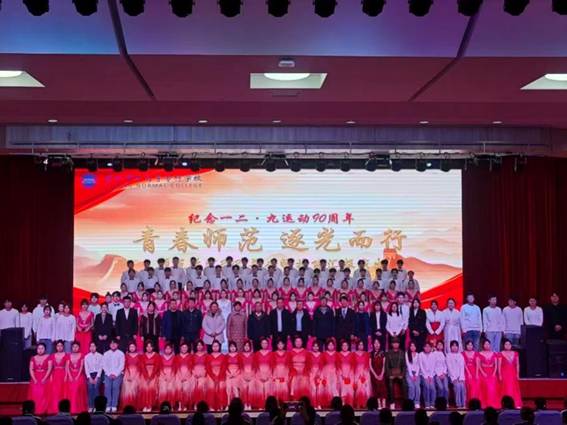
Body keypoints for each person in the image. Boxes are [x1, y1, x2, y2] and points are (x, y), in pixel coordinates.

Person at [28, 343, 52, 415]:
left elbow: (49, 369)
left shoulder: (48, 357)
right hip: (35, 377)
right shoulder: (33, 358)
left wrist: (45, 378)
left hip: (45, 377)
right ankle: (34, 409)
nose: (40, 350)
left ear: (45, 349)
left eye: (42, 348)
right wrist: (34, 379)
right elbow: (31, 369)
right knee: (35, 392)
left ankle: (43, 410)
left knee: (43, 393)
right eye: (39, 348)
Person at [102, 339, 125, 413]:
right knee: (107, 387)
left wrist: (115, 374)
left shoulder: (121, 353)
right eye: (111, 343)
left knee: (115, 386)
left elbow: (122, 365)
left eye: (114, 343)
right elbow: (104, 365)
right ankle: (108, 405)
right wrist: (109, 374)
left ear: (117, 345)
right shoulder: (106, 354)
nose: (113, 345)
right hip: (108, 374)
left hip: (118, 374)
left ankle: (114, 405)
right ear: (109, 345)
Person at [477, 339, 500, 409]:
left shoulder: (494, 353)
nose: (487, 345)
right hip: (483, 372)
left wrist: (494, 373)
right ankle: (484, 404)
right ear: (483, 345)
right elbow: (478, 365)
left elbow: (496, 365)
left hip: (492, 372)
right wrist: (483, 372)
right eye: (485, 344)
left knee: (492, 387)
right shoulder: (479, 353)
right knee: (484, 386)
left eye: (488, 344)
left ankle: (493, 404)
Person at [499, 339, 522, 408]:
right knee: (506, 388)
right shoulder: (501, 353)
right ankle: (505, 404)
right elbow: (499, 365)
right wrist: (499, 374)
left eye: (509, 344)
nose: (508, 346)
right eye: (506, 344)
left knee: (514, 388)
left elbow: (517, 364)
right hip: (504, 373)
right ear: (503, 345)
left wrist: (517, 374)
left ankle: (516, 403)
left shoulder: (515, 353)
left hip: (513, 373)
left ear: (511, 345)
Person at [384, 337, 406, 409]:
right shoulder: (388, 353)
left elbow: (404, 365)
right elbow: (386, 365)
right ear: (392, 344)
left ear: (399, 344)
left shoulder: (402, 353)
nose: (396, 344)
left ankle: (405, 402)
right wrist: (389, 375)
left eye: (397, 343)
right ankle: (392, 402)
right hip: (391, 373)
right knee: (390, 385)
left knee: (404, 384)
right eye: (394, 343)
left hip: (400, 373)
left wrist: (402, 375)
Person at [206, 340, 228, 410]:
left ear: (219, 347)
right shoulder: (208, 356)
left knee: (221, 387)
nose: (215, 347)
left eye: (217, 346)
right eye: (214, 346)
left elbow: (224, 367)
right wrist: (213, 376)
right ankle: (211, 406)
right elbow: (208, 368)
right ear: (212, 347)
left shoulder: (223, 356)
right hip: (211, 375)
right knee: (211, 387)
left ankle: (221, 406)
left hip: (221, 375)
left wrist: (219, 376)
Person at [139, 340, 160, 412]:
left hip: (153, 374)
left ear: (153, 347)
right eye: (147, 346)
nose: (149, 348)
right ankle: (145, 405)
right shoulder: (142, 356)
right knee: (144, 388)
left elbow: (157, 366)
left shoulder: (156, 355)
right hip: (145, 374)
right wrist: (146, 377)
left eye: (150, 346)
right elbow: (142, 367)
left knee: (151, 388)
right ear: (145, 348)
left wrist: (151, 377)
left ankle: (150, 405)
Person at [67, 341, 87, 413]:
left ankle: (79, 408)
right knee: (71, 390)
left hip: (79, 375)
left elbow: (81, 366)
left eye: (76, 347)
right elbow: (67, 366)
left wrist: (78, 376)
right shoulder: (68, 355)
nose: (75, 348)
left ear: (79, 347)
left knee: (77, 389)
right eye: (73, 347)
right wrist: (70, 376)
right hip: (71, 375)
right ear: (71, 348)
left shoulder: (82, 355)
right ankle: (72, 408)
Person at [120, 342, 140, 411]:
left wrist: (134, 376)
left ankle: (134, 406)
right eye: (130, 347)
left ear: (135, 347)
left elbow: (140, 367)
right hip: (127, 373)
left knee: (134, 388)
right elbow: (125, 365)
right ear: (128, 348)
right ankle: (127, 406)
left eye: (133, 347)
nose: (132, 348)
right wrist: (128, 375)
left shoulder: (139, 356)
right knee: (127, 388)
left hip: (136, 374)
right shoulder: (126, 355)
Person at [84, 341, 103, 412]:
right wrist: (89, 377)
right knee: (90, 388)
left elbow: (101, 367)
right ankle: (90, 406)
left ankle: (97, 407)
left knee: (96, 387)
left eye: (94, 346)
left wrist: (97, 377)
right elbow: (86, 368)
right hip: (90, 375)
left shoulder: (100, 356)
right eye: (91, 346)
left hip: (98, 374)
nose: (92, 348)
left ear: (96, 347)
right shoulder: (86, 356)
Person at [320, 339, 340, 408]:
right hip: (326, 374)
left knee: (334, 388)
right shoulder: (324, 354)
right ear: (327, 346)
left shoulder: (336, 354)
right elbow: (321, 365)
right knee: (327, 388)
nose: (330, 346)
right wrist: (322, 376)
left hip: (334, 373)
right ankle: (327, 405)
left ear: (334, 346)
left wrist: (338, 374)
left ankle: (335, 405)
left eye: (332, 345)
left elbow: (338, 365)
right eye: (329, 345)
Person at [50, 340, 68, 413]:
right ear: (56, 347)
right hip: (55, 374)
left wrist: (66, 375)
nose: (59, 347)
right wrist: (51, 376)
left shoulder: (66, 355)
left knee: (63, 391)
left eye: (61, 346)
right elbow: (51, 368)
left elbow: (67, 367)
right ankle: (55, 408)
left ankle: (63, 408)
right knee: (55, 391)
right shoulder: (52, 355)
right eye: (58, 346)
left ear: (63, 347)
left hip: (63, 374)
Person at [446, 341, 466, 408]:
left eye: (456, 346)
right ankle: (458, 404)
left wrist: (461, 377)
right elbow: (449, 368)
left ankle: (463, 404)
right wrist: (454, 378)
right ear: (450, 347)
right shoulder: (448, 355)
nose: (454, 347)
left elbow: (462, 367)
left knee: (462, 386)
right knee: (457, 386)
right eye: (453, 346)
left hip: (460, 376)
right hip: (452, 376)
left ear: (458, 347)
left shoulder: (460, 355)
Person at [289, 336, 310, 400]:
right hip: (294, 372)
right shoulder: (290, 352)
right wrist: (292, 370)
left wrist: (306, 370)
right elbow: (288, 363)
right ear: (294, 342)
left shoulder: (306, 352)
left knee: (303, 388)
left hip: (303, 372)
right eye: (296, 341)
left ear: (302, 342)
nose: (298, 343)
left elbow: (309, 363)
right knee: (294, 388)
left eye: (300, 341)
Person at [353, 340, 371, 409]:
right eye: (359, 344)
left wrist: (364, 374)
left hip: (365, 373)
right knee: (358, 388)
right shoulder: (354, 354)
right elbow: (353, 365)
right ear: (357, 345)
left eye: (362, 344)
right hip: (357, 373)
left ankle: (365, 404)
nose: (361, 346)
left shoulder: (367, 354)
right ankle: (358, 404)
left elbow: (368, 365)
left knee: (365, 388)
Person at [369, 338, 386, 409]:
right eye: (375, 343)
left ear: (380, 344)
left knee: (383, 387)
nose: (376, 345)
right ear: (373, 344)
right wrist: (375, 375)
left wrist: (382, 374)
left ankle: (384, 404)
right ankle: (379, 403)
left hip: (382, 373)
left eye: (378, 343)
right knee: (376, 387)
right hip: (374, 373)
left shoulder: (382, 353)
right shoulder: (371, 353)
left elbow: (384, 364)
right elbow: (370, 365)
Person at [337, 340, 355, 406]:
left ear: (348, 346)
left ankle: (350, 404)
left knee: (349, 389)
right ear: (341, 346)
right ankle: (343, 403)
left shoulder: (351, 354)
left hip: (350, 374)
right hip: (341, 375)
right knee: (342, 388)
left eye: (346, 345)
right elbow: (337, 365)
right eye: (343, 345)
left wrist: (349, 374)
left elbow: (353, 365)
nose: (345, 347)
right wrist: (342, 374)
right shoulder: (338, 354)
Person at [419, 342, 436, 409]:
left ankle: (432, 403)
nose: (427, 348)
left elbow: (433, 366)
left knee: (432, 387)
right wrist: (426, 376)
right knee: (427, 386)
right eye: (426, 346)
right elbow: (421, 366)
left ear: (431, 348)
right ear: (423, 347)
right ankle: (427, 404)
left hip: (431, 375)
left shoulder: (433, 355)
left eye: (429, 347)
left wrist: (430, 376)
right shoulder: (421, 354)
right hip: (423, 375)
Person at [191, 340, 208, 409]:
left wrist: (203, 373)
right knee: (193, 385)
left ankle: (201, 403)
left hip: (203, 374)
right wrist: (194, 373)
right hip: (194, 374)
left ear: (203, 346)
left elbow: (207, 366)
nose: (199, 346)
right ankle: (195, 403)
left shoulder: (206, 355)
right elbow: (191, 365)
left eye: (200, 345)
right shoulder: (193, 355)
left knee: (200, 386)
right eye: (198, 345)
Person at [177, 342, 193, 411]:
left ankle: (185, 405)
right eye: (183, 347)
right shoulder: (177, 356)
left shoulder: (190, 356)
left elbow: (190, 367)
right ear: (180, 348)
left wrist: (186, 376)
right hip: (179, 375)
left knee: (186, 389)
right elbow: (176, 367)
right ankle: (180, 405)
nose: (184, 349)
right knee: (179, 389)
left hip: (187, 375)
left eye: (185, 347)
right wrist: (180, 376)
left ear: (188, 348)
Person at [405, 341, 421, 409]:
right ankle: (410, 402)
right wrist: (411, 375)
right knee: (411, 386)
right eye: (411, 346)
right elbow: (408, 365)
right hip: (409, 372)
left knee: (417, 387)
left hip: (416, 373)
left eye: (414, 346)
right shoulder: (407, 354)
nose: (412, 347)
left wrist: (416, 375)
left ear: (416, 347)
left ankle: (416, 402)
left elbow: (418, 365)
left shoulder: (418, 354)